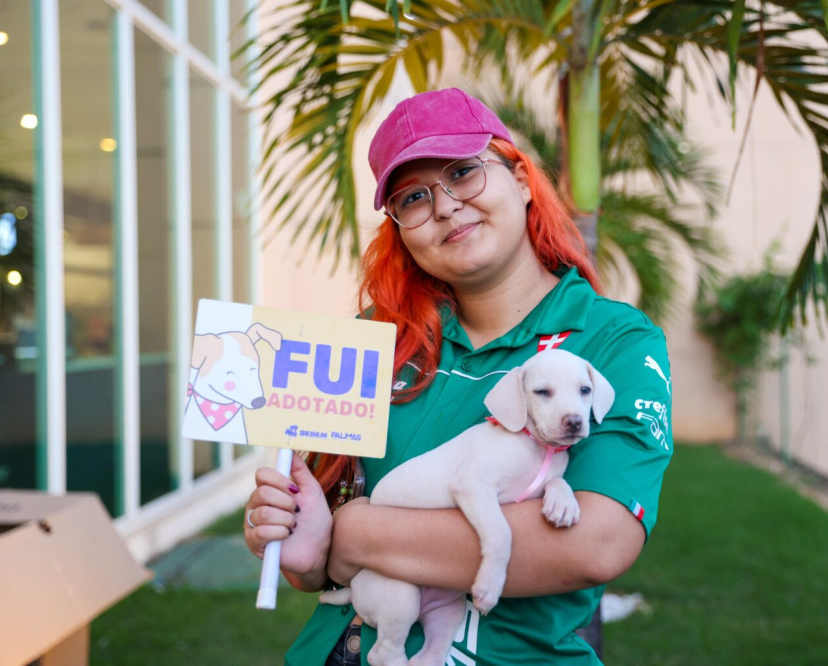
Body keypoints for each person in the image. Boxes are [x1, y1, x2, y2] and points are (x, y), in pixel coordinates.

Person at [243, 87, 674, 665]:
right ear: (400, 229)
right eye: (414, 197)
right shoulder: (367, 343)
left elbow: (595, 542)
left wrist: (350, 536)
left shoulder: (614, 340)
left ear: (521, 178)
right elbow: (318, 565)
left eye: (465, 171)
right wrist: (300, 546)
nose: (445, 206)